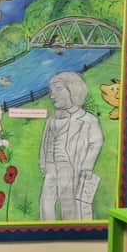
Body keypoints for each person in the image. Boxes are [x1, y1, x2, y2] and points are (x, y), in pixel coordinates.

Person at [38, 71, 103, 221]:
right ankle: (46, 227)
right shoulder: (51, 120)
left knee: (69, 201)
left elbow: (96, 142)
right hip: (51, 167)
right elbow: (45, 143)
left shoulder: (87, 120)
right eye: (51, 91)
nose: (52, 95)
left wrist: (87, 166)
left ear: (74, 90)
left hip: (71, 167)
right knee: (46, 202)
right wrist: (43, 163)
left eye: (58, 89)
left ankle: (71, 228)